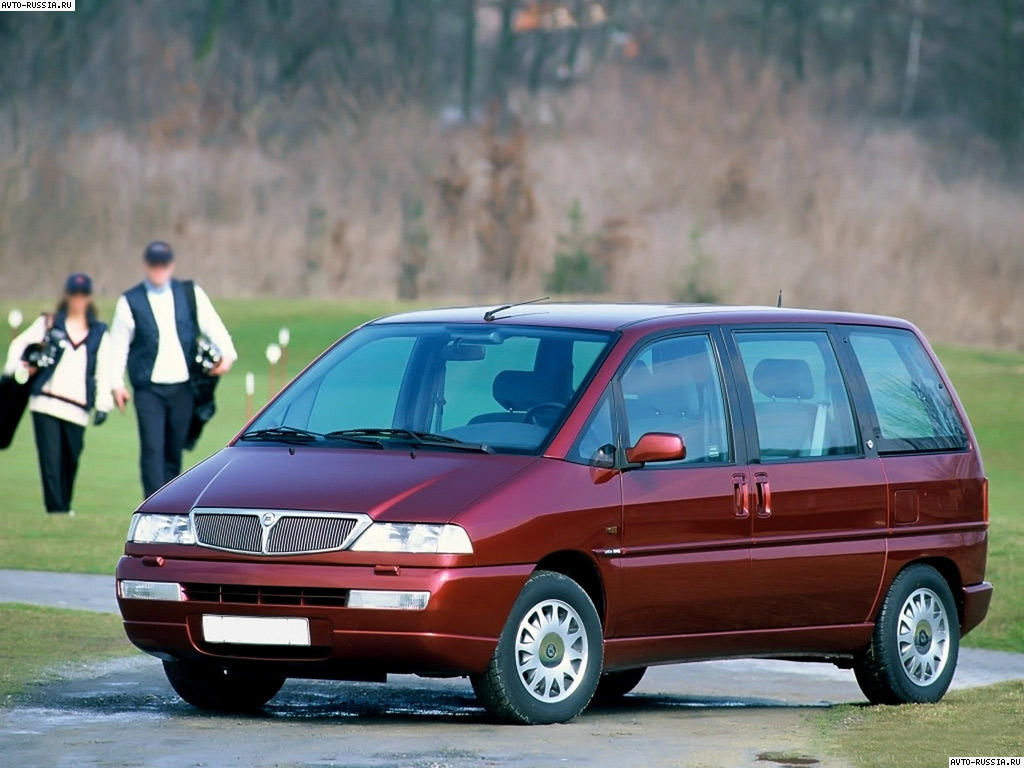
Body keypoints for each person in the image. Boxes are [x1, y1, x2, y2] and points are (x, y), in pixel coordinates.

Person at [110, 241, 237, 498]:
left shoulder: (189, 293)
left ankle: (169, 505)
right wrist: (116, 384)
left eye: (163, 265)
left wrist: (228, 354)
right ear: (147, 266)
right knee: (152, 449)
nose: (159, 270)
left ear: (171, 265)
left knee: (173, 450)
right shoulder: (130, 301)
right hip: (148, 388)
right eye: (154, 265)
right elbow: (118, 345)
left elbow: (212, 324)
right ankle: (152, 506)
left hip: (183, 387)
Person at [2, 273, 113, 515]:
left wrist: (104, 404)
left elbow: (105, 369)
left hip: (78, 409)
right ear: (67, 295)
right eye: (74, 294)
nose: (78, 299)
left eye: (83, 295)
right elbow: (17, 347)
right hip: (45, 403)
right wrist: (17, 369)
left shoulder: (99, 332)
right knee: (50, 462)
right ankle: (56, 511)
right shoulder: (49, 323)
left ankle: (64, 507)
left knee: (70, 461)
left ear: (89, 297)